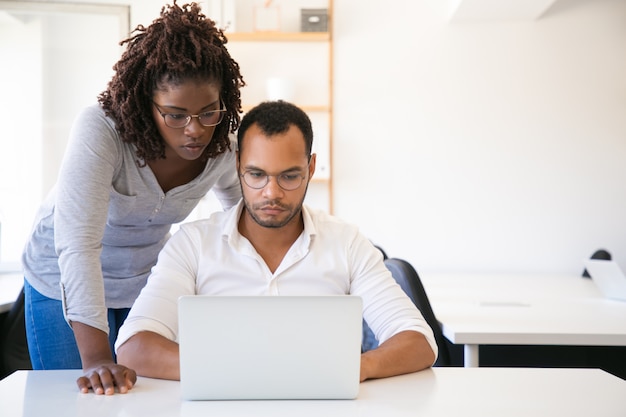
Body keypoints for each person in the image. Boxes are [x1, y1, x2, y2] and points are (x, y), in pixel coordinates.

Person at [115, 100, 438, 382]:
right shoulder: (193, 244)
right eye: (257, 175)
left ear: (310, 168)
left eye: (289, 176)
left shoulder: (346, 242)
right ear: (238, 165)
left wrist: (355, 368)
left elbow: (418, 341)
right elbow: (134, 347)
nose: (272, 193)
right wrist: (231, 370)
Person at [21, 1, 245, 395]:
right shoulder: (101, 131)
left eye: (208, 113)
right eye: (175, 114)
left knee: (147, 400)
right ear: (146, 103)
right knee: (78, 399)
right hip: (61, 279)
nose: (194, 130)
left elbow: (244, 225)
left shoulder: (222, 150)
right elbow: (77, 244)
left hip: (142, 280)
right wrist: (95, 361)